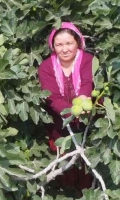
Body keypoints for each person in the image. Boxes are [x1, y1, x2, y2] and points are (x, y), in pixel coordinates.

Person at [38, 22, 96, 190]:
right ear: (53, 46)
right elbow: (52, 97)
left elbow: (87, 83)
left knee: (88, 161)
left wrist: (83, 106)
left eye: (69, 43)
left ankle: (88, 195)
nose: (65, 49)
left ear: (78, 42)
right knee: (66, 162)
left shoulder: (88, 60)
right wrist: (70, 112)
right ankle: (69, 193)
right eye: (59, 45)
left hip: (88, 120)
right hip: (60, 125)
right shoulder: (46, 67)